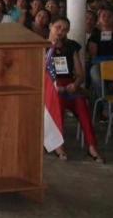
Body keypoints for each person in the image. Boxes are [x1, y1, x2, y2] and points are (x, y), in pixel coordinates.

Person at [46, 17, 103, 163]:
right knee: (57, 105)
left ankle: (92, 147)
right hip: (50, 87)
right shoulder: (42, 45)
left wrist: (76, 84)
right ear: (51, 26)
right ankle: (59, 146)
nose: (61, 32)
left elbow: (80, 74)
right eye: (58, 27)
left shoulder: (71, 46)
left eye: (65, 29)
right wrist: (54, 86)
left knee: (82, 105)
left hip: (70, 85)